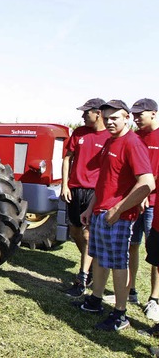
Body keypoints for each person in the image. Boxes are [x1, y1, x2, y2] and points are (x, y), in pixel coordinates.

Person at [74, 99, 154, 332]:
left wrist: (118, 209)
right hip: (100, 212)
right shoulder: (111, 141)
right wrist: (91, 208)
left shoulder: (132, 143)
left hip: (118, 217)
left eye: (115, 118)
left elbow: (147, 183)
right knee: (99, 258)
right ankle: (95, 300)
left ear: (127, 117)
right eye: (106, 118)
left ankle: (120, 314)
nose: (109, 122)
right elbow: (105, 179)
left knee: (119, 263)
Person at [62, 98, 109, 297]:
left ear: (97, 113)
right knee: (74, 232)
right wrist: (65, 184)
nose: (82, 115)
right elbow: (67, 158)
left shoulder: (109, 136)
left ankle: (82, 278)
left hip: (94, 192)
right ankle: (89, 264)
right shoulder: (79, 133)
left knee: (88, 234)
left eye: (86, 112)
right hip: (74, 188)